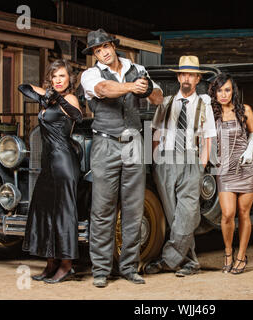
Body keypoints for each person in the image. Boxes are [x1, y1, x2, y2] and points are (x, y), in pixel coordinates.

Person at [80, 29, 163, 288]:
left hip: (133, 143)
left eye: (105, 46)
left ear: (113, 46)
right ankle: (101, 270)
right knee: (103, 209)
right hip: (105, 142)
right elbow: (104, 90)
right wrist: (131, 86)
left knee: (133, 208)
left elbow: (158, 98)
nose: (103, 52)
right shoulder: (90, 74)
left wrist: (147, 87)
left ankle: (129, 267)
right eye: (97, 50)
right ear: (94, 54)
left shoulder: (137, 68)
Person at [145, 56, 216, 277]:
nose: (186, 78)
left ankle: (167, 260)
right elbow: (155, 132)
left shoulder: (204, 105)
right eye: (183, 74)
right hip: (165, 161)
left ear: (197, 79)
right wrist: (156, 160)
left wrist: (201, 166)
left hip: (190, 160)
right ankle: (191, 263)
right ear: (178, 77)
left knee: (188, 213)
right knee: (174, 216)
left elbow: (208, 138)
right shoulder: (165, 103)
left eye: (191, 75)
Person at [19, 59, 83, 283]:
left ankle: (66, 266)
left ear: (69, 79)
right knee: (45, 212)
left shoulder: (70, 98)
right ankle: (50, 264)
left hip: (64, 162)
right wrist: (47, 94)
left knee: (63, 213)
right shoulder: (48, 99)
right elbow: (24, 87)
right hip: (48, 163)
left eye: (62, 76)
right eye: (54, 76)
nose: (58, 80)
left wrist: (56, 98)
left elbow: (77, 116)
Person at [208, 74, 253, 274]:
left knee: (243, 213)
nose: (223, 94)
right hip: (224, 169)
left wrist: (249, 152)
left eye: (227, 90)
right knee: (228, 213)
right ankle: (228, 252)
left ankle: (241, 256)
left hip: (247, 168)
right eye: (220, 90)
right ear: (214, 92)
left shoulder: (244, 110)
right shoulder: (211, 113)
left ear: (233, 91)